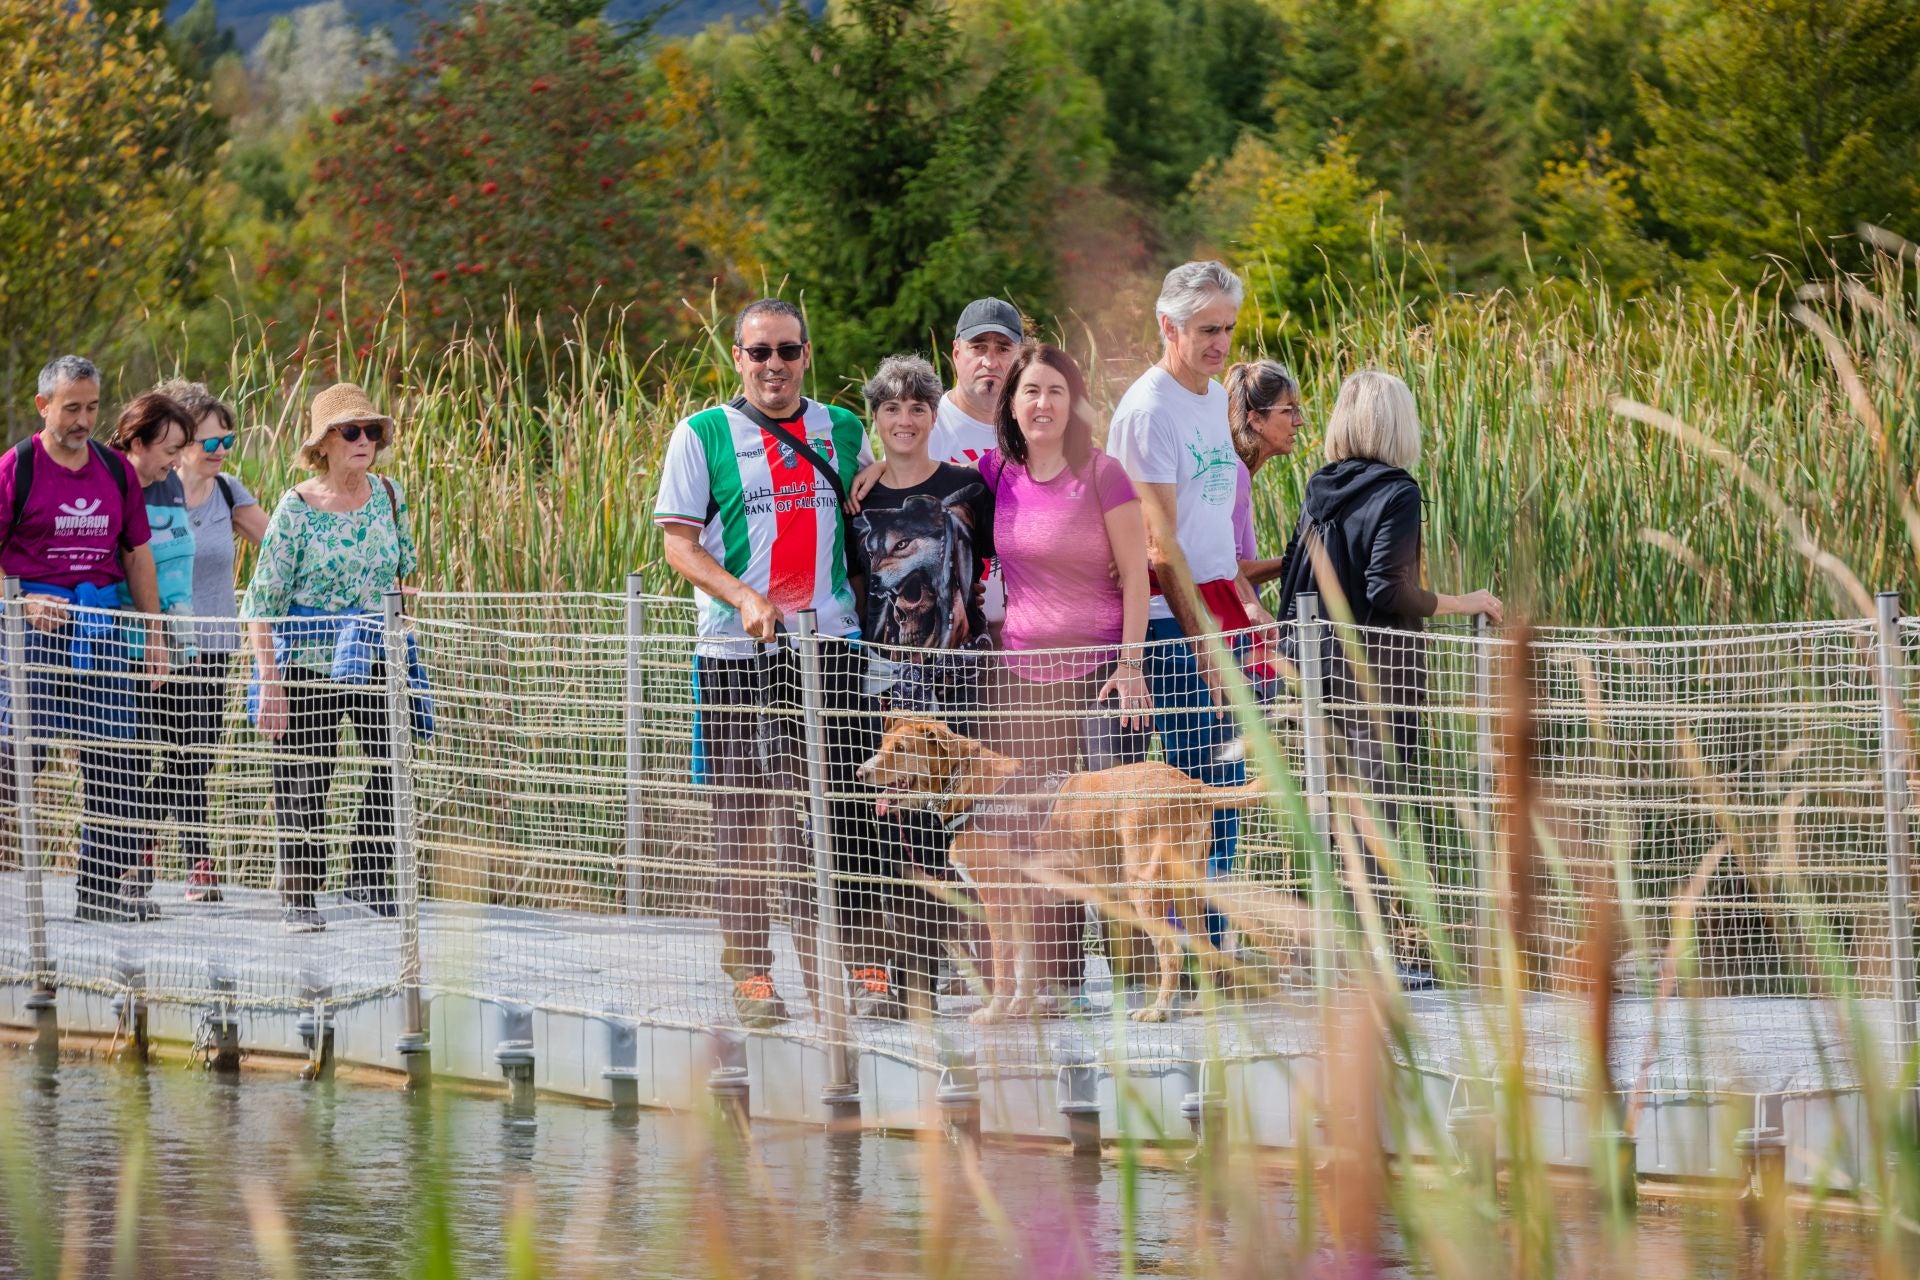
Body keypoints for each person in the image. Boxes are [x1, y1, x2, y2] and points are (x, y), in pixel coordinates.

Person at [654, 298, 889, 1029]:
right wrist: (744, 595)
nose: (774, 366)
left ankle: (867, 965)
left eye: (788, 351)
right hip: (737, 650)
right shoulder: (702, 435)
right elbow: (679, 542)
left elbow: (867, 506)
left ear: (807, 355)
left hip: (832, 647)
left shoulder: (843, 428)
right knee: (746, 818)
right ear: (738, 359)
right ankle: (751, 973)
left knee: (851, 810)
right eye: (759, 353)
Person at [1270, 369, 1503, 985]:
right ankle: (1371, 960)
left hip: (1317, 670)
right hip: (1376, 674)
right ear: (1398, 423)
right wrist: (1464, 602)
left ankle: (1325, 953)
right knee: (1377, 815)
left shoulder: (1320, 487)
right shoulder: (1398, 491)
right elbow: (1385, 588)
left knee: (1328, 810)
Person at [982, 344, 1151, 1007]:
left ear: (1072, 401)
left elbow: (1138, 573)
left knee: (1108, 834)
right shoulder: (998, 472)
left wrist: (1132, 664)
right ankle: (1058, 983)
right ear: (1013, 404)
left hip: (1101, 676)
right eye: (1030, 392)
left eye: (1055, 390)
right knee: (1039, 832)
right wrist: (879, 468)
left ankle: (1139, 980)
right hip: (1024, 683)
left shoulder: (1103, 474)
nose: (1042, 403)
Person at [1105, 262, 1267, 928]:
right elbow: (1156, 548)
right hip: (1177, 625)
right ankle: (1190, 948)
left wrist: (1243, 608)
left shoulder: (1208, 397)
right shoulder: (1149, 410)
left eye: (1228, 329)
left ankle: (1217, 946)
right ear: (1167, 326)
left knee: (1226, 786)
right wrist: (1204, 643)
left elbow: (1210, 530)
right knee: (1190, 792)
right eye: (1206, 329)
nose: (1220, 344)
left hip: (1219, 615)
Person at [847, 353, 995, 1017]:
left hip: (959, 681)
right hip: (886, 687)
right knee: (896, 840)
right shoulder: (861, 496)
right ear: (875, 417)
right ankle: (910, 983)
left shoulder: (968, 489)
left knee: (957, 837)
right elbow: (855, 586)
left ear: (936, 414)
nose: (904, 419)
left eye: (917, 407)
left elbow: (1000, 564)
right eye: (891, 408)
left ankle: (965, 973)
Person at [242, 382, 417, 933]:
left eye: (371, 431)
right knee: (305, 776)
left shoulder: (390, 494)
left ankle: (367, 873)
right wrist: (269, 682)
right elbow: (261, 603)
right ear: (324, 443)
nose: (364, 440)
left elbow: (401, 569)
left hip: (373, 649)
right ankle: (301, 896)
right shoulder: (296, 509)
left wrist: (401, 608)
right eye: (351, 431)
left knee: (395, 758)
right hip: (308, 657)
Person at [0, 358, 169, 922]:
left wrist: (153, 633)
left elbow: (137, 552)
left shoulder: (115, 471)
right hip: (31, 635)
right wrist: (21, 600)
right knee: (14, 760)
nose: (83, 419)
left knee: (115, 764)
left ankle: (97, 897)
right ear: (43, 405)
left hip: (101, 630)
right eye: (71, 407)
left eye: (92, 407)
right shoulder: (15, 470)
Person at [142, 381, 266, 903]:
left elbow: (283, 548)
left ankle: (140, 850)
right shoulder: (146, 492)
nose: (219, 453)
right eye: (209, 443)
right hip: (156, 646)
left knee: (198, 754)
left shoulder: (230, 493)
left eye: (227, 443)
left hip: (215, 645)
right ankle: (194, 863)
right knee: (171, 753)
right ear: (183, 442)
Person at [106, 391, 195, 914]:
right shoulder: (110, 479)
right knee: (124, 762)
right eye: (170, 448)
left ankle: (131, 868)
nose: (176, 460)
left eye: (183, 448)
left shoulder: (167, 487)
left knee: (189, 752)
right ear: (136, 441)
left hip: (172, 643)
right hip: (120, 644)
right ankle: (123, 879)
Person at [929, 298, 1023, 639]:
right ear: (956, 354)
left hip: (1029, 632)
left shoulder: (1037, 425)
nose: (990, 361)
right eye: (978, 347)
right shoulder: (927, 428)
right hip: (957, 634)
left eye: (1003, 348)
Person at [1224, 360, 1304, 589]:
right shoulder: (1236, 472)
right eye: (1288, 411)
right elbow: (1231, 570)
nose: (1298, 421)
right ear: (1256, 420)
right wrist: (1302, 559)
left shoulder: (1238, 470)